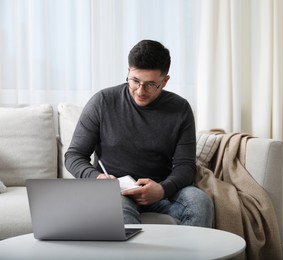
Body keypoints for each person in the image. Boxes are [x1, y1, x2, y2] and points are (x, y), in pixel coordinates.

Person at [65, 39, 213, 227]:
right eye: (135, 81)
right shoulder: (102, 102)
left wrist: (162, 189)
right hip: (116, 191)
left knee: (200, 201)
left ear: (165, 81)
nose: (140, 91)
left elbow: (185, 166)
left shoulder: (180, 109)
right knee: (116, 207)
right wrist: (98, 179)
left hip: (161, 190)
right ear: (128, 71)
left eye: (151, 84)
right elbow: (74, 156)